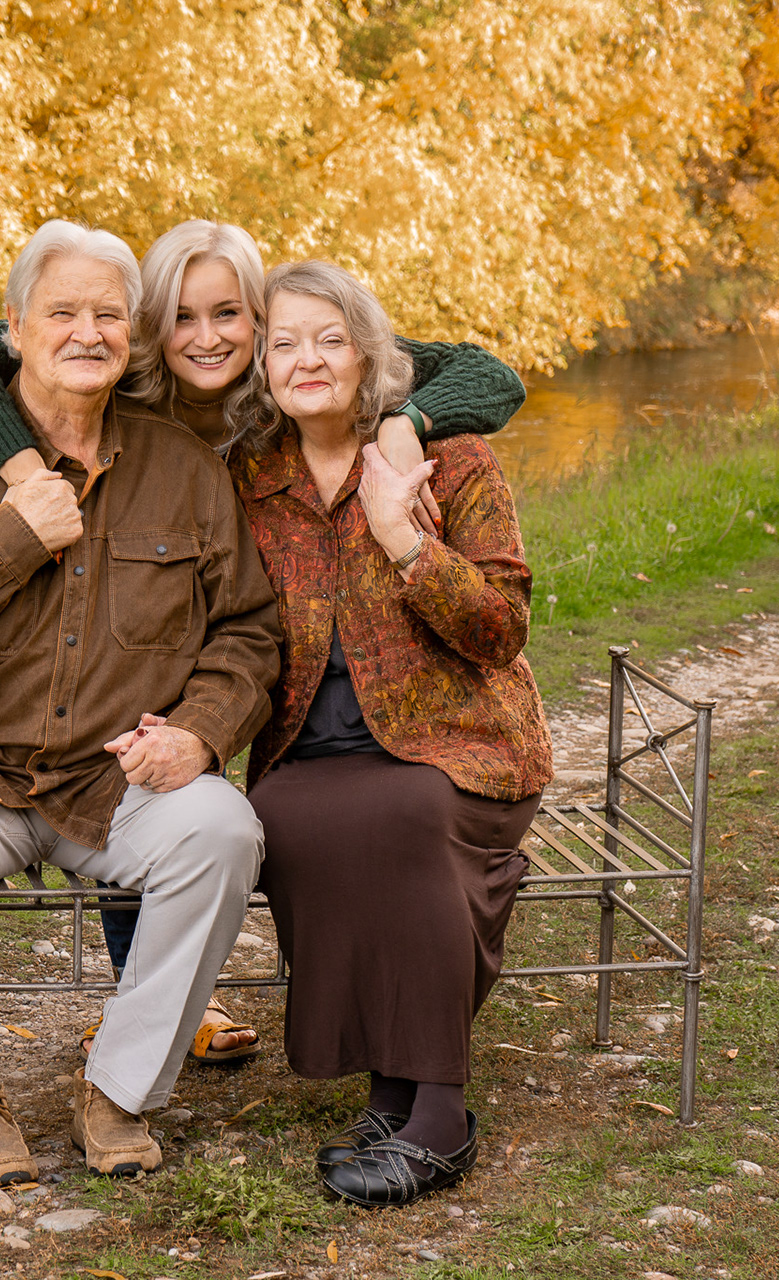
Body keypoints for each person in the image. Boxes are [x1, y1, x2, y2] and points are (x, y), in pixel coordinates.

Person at [0, 220, 527, 1061]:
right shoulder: (121, 376)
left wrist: (405, 421)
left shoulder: (290, 366)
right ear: (149, 325)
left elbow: (488, 374)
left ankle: (191, 998)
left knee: (202, 761)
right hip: (138, 605)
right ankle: (150, 998)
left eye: (228, 314)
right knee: (130, 721)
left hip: (246, 594)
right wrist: (24, 472)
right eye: (181, 317)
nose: (206, 337)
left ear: (259, 320)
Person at [0, 220, 282, 1186]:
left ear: (132, 334)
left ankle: (119, 1090)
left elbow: (249, 631)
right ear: (14, 327)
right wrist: (9, 536)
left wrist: (200, 734)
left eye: (107, 315)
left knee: (222, 832)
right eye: (62, 313)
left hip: (118, 778)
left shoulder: (185, 466)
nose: (87, 332)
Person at [231, 261, 554, 1208]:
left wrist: (407, 543)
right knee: (286, 816)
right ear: (261, 365)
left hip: (461, 746)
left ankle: (437, 1117)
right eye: (285, 343)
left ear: (371, 355)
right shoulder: (251, 478)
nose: (308, 360)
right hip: (312, 753)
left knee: (403, 811)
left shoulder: (453, 460)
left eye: (330, 339)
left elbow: (502, 630)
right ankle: (390, 1092)